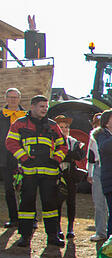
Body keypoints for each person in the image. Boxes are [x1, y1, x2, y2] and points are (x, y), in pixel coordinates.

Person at [6, 95, 67, 248]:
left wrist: (56, 160)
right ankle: (25, 237)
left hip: (49, 172)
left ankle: (52, 236)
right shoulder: (19, 124)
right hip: (28, 171)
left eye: (46, 107)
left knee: (50, 205)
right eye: (41, 106)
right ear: (32, 107)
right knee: (26, 203)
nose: (44, 109)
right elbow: (10, 142)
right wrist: (24, 158)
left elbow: (63, 146)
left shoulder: (53, 125)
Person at [53, 115, 84, 240]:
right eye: (61, 127)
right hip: (57, 174)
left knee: (71, 201)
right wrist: (69, 154)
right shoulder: (52, 141)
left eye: (66, 127)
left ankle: (70, 228)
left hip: (70, 174)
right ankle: (58, 228)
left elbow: (79, 156)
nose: (65, 129)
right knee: (57, 202)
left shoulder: (73, 141)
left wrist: (65, 154)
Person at [2, 88, 26, 228]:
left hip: (24, 157)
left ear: (19, 98)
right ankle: (13, 218)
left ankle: (30, 219)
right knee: (8, 189)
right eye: (10, 97)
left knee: (27, 189)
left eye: (15, 97)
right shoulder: (1, 115)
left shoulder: (26, 116)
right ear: (6, 98)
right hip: (5, 158)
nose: (12, 100)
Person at [86, 113, 109, 241]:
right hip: (98, 167)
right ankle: (100, 231)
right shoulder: (93, 135)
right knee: (99, 202)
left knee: (111, 202)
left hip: (110, 167)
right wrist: (89, 173)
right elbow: (90, 156)